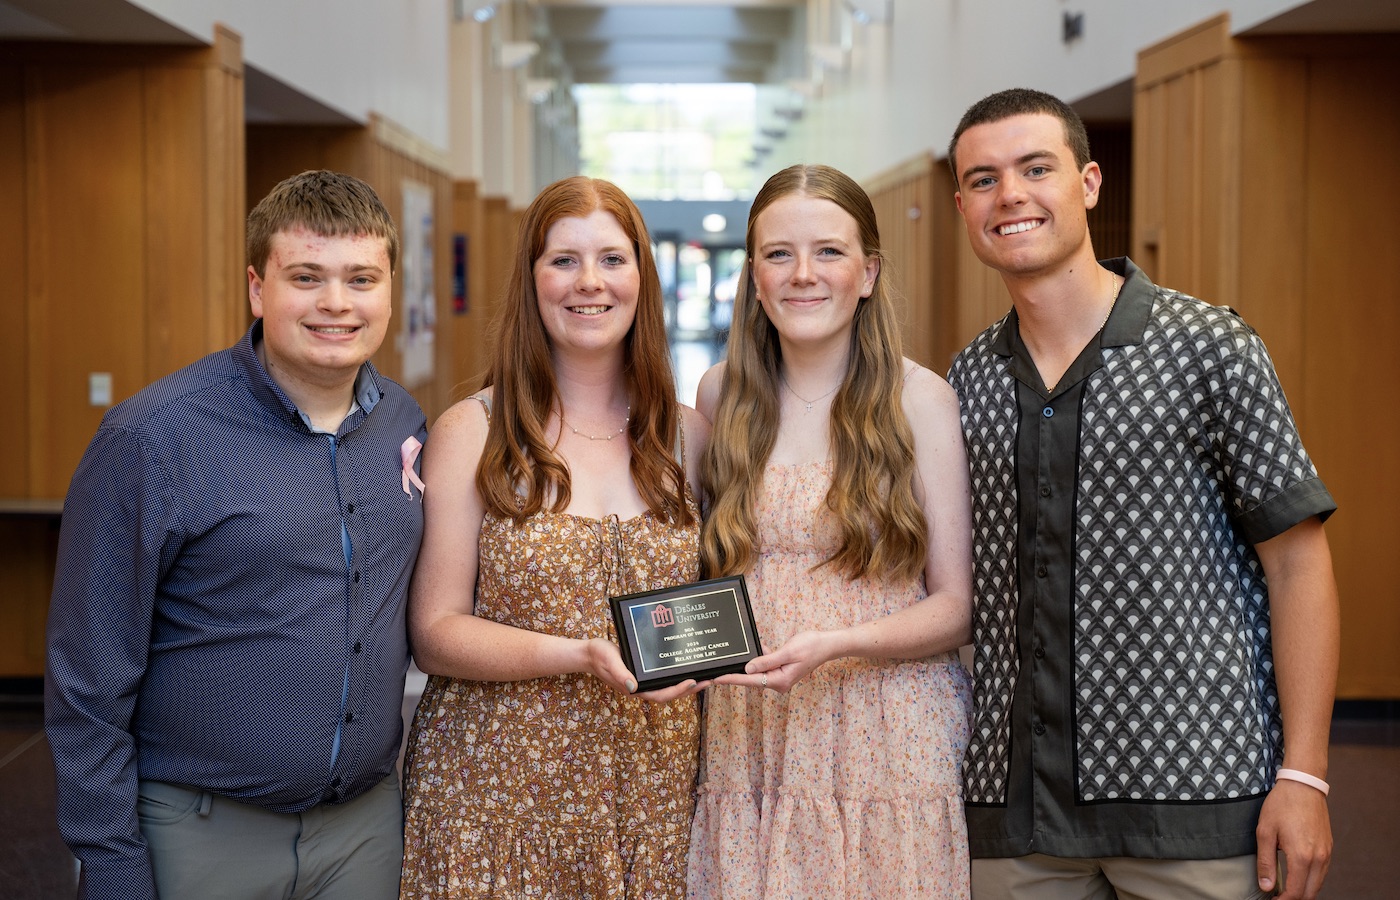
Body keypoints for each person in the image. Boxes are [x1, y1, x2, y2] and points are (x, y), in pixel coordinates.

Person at [945, 88, 1340, 900]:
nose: (1009, 194)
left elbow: (1298, 565)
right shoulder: (965, 382)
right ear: (962, 206)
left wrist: (1306, 774)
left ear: (1088, 183)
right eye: (983, 179)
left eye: (1035, 168)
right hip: (1014, 818)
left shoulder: (1209, 348)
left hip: (1197, 803)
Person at [44, 170, 426, 899]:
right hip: (197, 833)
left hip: (366, 832)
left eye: (361, 278)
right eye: (306, 277)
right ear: (258, 288)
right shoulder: (152, 439)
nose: (336, 303)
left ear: (390, 290)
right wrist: (113, 862)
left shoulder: (403, 424)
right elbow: (85, 676)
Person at [398, 175, 711, 899]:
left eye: (611, 259)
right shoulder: (475, 430)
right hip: (497, 801)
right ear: (532, 279)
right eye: (563, 260)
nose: (589, 282)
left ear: (642, 276)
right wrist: (575, 654)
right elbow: (435, 630)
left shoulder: (688, 437)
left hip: (653, 799)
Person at [687, 164, 976, 899]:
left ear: (869, 272)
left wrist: (838, 645)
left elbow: (954, 605)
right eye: (779, 254)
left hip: (884, 725)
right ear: (754, 276)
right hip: (751, 730)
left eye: (830, 252)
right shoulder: (722, 395)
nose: (803, 275)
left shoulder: (920, 400)